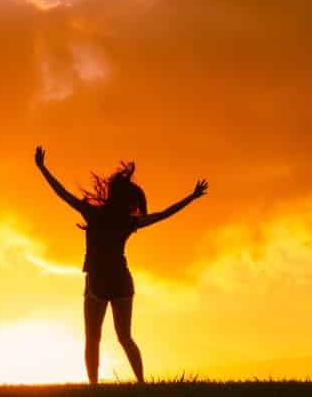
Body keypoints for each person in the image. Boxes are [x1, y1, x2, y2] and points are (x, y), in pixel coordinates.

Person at [34, 146, 207, 384]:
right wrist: (191, 197)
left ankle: (95, 387)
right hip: (120, 280)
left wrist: (43, 169)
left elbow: (62, 194)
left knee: (93, 338)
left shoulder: (95, 214)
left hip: (98, 280)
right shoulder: (127, 221)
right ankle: (141, 384)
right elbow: (164, 214)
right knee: (124, 337)